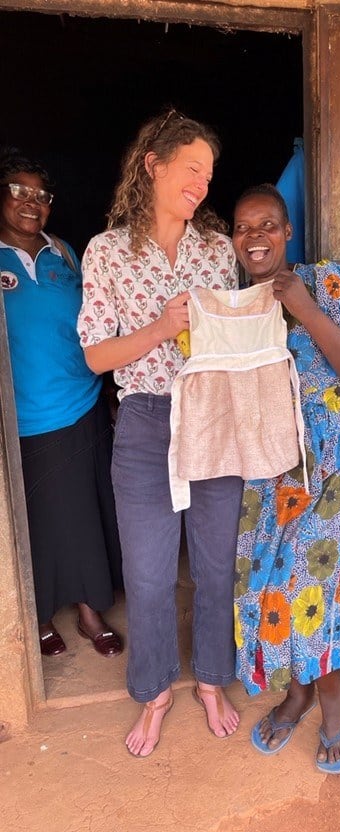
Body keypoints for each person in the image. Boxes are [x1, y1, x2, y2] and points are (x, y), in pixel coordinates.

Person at [77, 110, 243, 757]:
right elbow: (95, 356)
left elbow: (230, 343)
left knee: (214, 566)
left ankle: (210, 680)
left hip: (211, 416)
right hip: (145, 422)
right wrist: (161, 326)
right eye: (191, 168)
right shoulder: (106, 251)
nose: (202, 184)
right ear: (153, 163)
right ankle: (155, 690)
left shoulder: (217, 250)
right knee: (146, 575)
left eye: (209, 174)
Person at [232, 183, 340, 774]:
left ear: (287, 231)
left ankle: (335, 692)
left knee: (318, 586)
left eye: (267, 225)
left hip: (332, 464)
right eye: (243, 228)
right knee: (268, 584)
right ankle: (299, 689)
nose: (256, 237)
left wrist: (305, 309)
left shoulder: (326, 281)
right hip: (267, 469)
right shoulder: (236, 305)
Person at [0, 148, 123, 659]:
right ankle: (43, 612)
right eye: (19, 192)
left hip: (85, 403)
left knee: (90, 514)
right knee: (43, 522)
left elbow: (98, 324)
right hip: (25, 417)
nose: (32, 204)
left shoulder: (66, 254)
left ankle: (92, 609)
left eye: (41, 196)